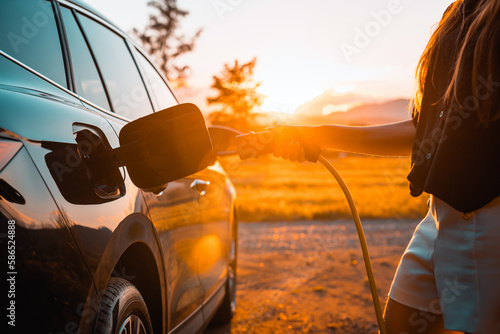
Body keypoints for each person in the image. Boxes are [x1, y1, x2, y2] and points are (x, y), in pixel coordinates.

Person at [270, 1, 500, 333]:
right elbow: (424, 131)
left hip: (490, 216)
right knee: (400, 324)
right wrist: (315, 134)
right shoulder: (458, 15)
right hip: (440, 216)